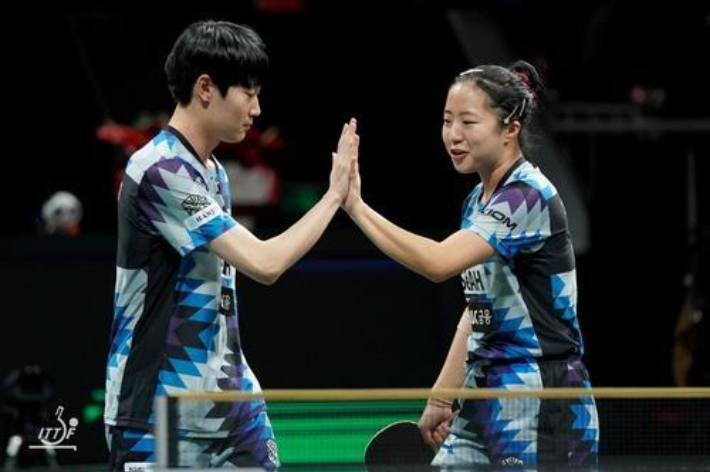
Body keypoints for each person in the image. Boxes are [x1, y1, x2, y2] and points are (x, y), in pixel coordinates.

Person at [104, 20, 358, 471]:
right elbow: (265, 262)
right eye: (249, 93)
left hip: (230, 407)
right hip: (158, 414)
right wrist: (335, 196)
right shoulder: (160, 169)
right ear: (205, 87)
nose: (257, 109)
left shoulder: (214, 173)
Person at [343, 61, 598, 467]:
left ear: (510, 129)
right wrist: (443, 395)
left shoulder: (527, 198)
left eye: (468, 121)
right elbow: (479, 307)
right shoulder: (477, 201)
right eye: (447, 121)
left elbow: (438, 262)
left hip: (540, 394)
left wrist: (356, 207)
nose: (453, 135)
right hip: (484, 388)